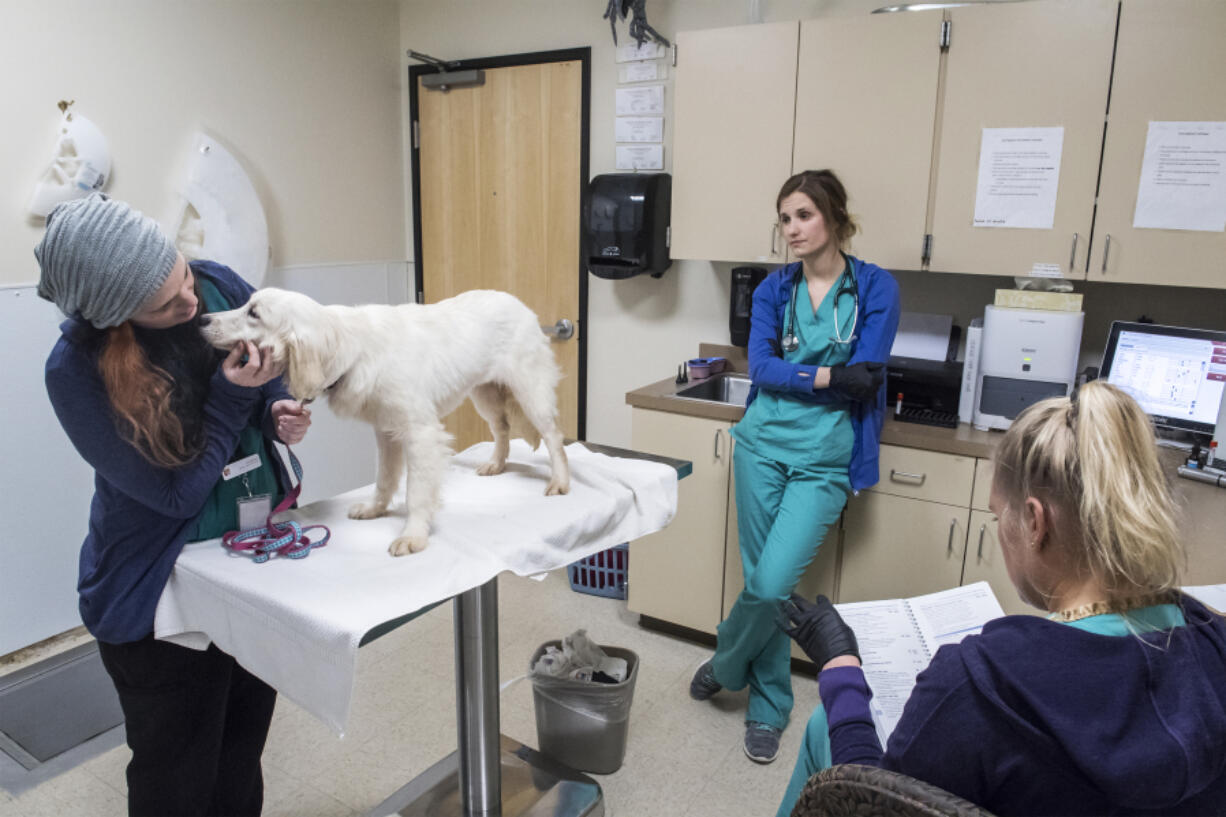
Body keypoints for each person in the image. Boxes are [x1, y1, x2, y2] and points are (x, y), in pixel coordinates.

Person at [777, 381, 1226, 816]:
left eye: (997, 515)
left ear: (1034, 522)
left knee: (825, 727)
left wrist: (841, 670)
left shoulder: (979, 684)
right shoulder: (1213, 640)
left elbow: (878, 804)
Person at [36, 192, 313, 817]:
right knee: (179, 778)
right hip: (158, 597)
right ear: (117, 318)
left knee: (241, 758)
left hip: (246, 568)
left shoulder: (215, 283)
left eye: (183, 275)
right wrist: (230, 397)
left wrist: (276, 409)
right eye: (166, 304)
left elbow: (273, 370)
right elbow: (175, 495)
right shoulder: (77, 370)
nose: (191, 302)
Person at [689, 169, 900, 763]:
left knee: (770, 582)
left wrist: (806, 377)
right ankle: (770, 707)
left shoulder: (876, 289)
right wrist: (829, 376)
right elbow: (763, 368)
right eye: (785, 218)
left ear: (833, 217)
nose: (792, 230)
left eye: (804, 215)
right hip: (759, 447)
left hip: (825, 461)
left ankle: (725, 663)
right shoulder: (773, 291)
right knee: (766, 582)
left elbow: (869, 377)